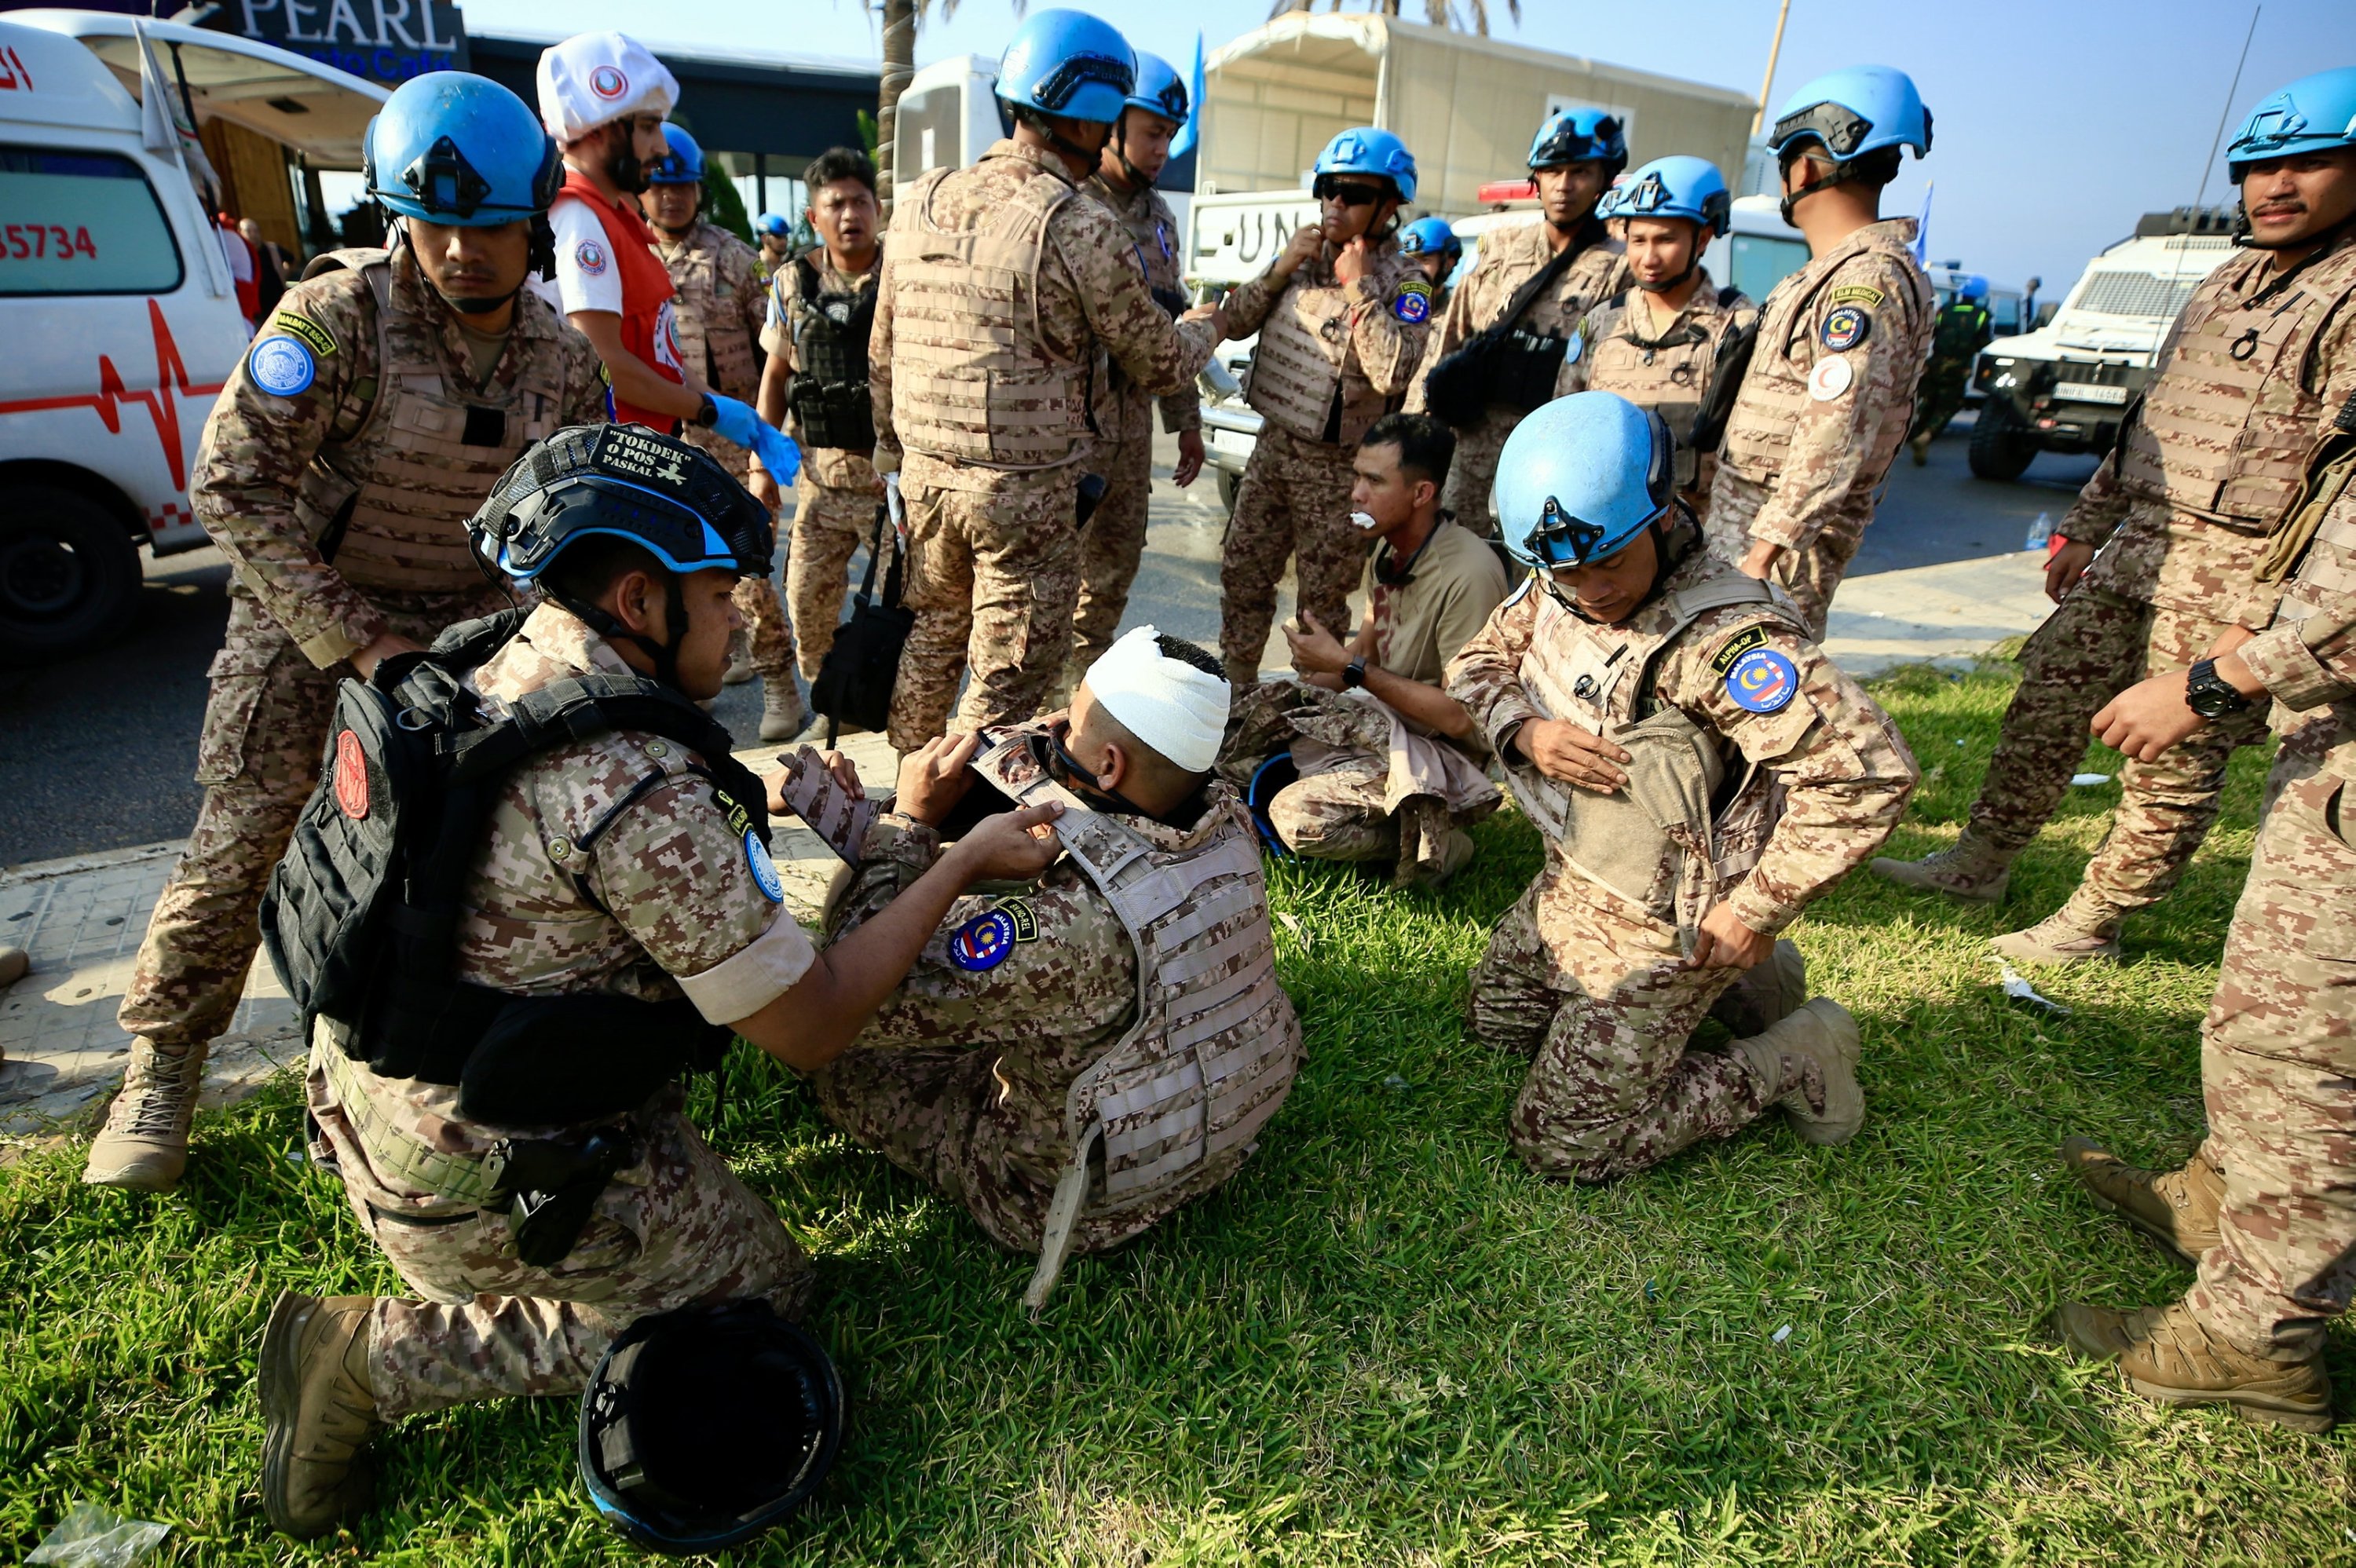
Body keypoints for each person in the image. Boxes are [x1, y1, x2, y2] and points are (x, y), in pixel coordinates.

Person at [253, 425, 1067, 1537]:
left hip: (370, 1104)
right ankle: (360, 1360)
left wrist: (753, 808)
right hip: (472, 1176)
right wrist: (962, 856)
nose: (742, 624)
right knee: (759, 1295)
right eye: (724, 597)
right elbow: (813, 1024)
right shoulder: (635, 792)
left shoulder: (491, 657)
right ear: (640, 601)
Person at [83, 72, 613, 1193]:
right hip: (312, 620)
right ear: (393, 217)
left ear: (532, 226)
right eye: (433, 227)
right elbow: (232, 486)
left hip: (467, 637)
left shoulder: (562, 360)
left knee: (458, 855)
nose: (461, 253)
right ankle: (162, 1068)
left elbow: (567, 517)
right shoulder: (338, 319)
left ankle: (401, 1066)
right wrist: (357, 639)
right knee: (244, 842)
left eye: (485, 229)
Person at [1871, 69, 2356, 963]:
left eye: (2310, 164)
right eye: (2259, 167)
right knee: (2046, 701)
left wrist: (2266, 619)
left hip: (2243, 575)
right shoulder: (2228, 281)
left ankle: (2095, 920)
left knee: (2170, 756)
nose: (2276, 186)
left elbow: (2340, 487)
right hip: (2141, 547)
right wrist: (2089, 527)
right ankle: (1982, 858)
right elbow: (2151, 424)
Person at [1445, 392, 1919, 1181]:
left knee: (1562, 1143)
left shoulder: (1727, 642)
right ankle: (1752, 987)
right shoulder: (1560, 573)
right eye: (1564, 569)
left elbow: (1866, 775)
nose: (1588, 586)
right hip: (1582, 875)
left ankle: (1795, 1052)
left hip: (1671, 917)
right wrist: (1524, 732)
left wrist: (1755, 908)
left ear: (1662, 516)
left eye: (1606, 562)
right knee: (1493, 1024)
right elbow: (1474, 663)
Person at [810, 625, 1301, 1308]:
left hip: (1071, 1193)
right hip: (1216, 1130)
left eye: (1066, 725)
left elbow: (851, 992)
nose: (1052, 733)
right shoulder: (1226, 821)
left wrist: (911, 827)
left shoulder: (1073, 936)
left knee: (836, 1060)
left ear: (1108, 767)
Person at [2045, 375, 2356, 1434]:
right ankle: (2224, 1200)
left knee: (2316, 1054)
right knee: (2270, 1018)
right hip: (2331, 742)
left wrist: (2219, 679)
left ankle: (2254, 1340)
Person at [869, 9, 1227, 753]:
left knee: (933, 636)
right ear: (1095, 114)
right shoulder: (1079, 223)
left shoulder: (922, 201)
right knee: (1009, 675)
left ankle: (905, 789)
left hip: (929, 481)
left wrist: (892, 460)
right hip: (1022, 498)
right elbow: (1158, 359)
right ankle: (962, 818)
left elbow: (883, 351)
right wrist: (1211, 325)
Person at [1221, 412, 1507, 886]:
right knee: (1229, 759)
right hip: (1380, 723)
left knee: (1298, 817)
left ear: (1421, 494)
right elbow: (1366, 652)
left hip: (1439, 754)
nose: (1356, 492)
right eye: (1358, 475)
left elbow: (1463, 718)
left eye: (1374, 480)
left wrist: (1347, 667)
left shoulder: (1469, 574)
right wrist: (1315, 671)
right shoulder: (1390, 552)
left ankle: (1441, 841)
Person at [1704, 66, 1937, 638]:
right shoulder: (1829, 273)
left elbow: (1837, 429)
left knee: (1751, 703)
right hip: (1747, 526)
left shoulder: (1867, 283)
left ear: (1802, 167)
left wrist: (1763, 554)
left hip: (1777, 545)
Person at [1213, 126, 1432, 687]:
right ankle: (1233, 693)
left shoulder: (1409, 282)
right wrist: (1280, 269)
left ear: (1388, 205)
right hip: (1274, 447)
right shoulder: (1301, 257)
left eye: (1354, 194)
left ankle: (1314, 713)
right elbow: (1232, 322)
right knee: (1243, 573)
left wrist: (1359, 289)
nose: (1336, 202)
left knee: (1321, 605)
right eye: (1329, 188)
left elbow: (1395, 372)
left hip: (1340, 471)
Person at [536, 31, 796, 484]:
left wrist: (729, 411)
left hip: (636, 458)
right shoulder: (580, 220)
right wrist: (709, 409)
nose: (660, 147)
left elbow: (657, 354)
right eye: (649, 126)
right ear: (602, 125)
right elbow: (605, 368)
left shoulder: (615, 216)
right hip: (605, 471)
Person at [640, 122, 805, 740]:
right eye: (660, 187)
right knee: (670, 571)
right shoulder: (633, 257)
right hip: (664, 445)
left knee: (751, 568)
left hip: (732, 443)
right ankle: (697, 679)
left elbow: (778, 354)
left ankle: (781, 685)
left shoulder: (733, 257)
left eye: (682, 187)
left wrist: (767, 436)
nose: (671, 199)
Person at [1407, 107, 1630, 533]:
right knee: (1456, 568)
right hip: (1470, 454)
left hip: (1557, 462)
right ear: (1536, 180)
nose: (1564, 185)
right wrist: (1412, 439)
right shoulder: (1499, 250)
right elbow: (1448, 343)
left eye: (1581, 171)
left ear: (1604, 179)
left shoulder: (1622, 268)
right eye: (1552, 171)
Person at [1070, 50, 1207, 689]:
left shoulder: (1160, 219)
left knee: (1112, 575)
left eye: (1170, 136)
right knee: (1053, 582)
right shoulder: (1070, 202)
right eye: (1153, 132)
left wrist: (1186, 421)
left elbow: (1172, 326)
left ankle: (1077, 695)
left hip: (1131, 436)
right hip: (1069, 434)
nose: (1162, 150)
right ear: (1111, 123)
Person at [754, 147, 888, 717]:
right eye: (836, 203)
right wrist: (760, 467)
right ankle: (831, 704)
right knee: (807, 603)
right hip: (822, 484)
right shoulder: (790, 283)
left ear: (878, 209)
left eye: (860, 201)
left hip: (896, 489)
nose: (850, 213)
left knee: (916, 611)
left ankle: (899, 714)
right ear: (815, 217)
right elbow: (776, 377)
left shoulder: (906, 278)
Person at [1557, 155, 1757, 517]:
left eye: (1666, 240)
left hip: (1700, 537)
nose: (1648, 258)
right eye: (1638, 240)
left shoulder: (1738, 327)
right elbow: (1566, 426)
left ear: (1703, 239)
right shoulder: (1602, 323)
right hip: (1610, 530)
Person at [1908, 274, 1992, 464]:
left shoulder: (1945, 310)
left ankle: (1915, 434)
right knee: (1947, 406)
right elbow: (1983, 344)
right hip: (1958, 368)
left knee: (1927, 402)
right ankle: (1926, 436)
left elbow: (1930, 333)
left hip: (1935, 364)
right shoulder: (1982, 315)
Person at [1397, 215, 1462, 313]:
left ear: (1448, 264)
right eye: (1408, 262)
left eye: (1425, 260)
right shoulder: (1388, 305)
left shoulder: (1458, 314)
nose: (1415, 269)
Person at [242, 217, 294, 319]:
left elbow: (291, 260)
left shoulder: (272, 248)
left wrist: (284, 273)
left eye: (256, 231)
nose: (253, 235)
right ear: (241, 233)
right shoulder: (242, 254)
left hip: (278, 300)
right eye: (248, 231)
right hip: (256, 307)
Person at [753, 209, 794, 280]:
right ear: (764, 238)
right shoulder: (755, 267)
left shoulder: (789, 266)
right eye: (778, 237)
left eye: (785, 237)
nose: (784, 241)